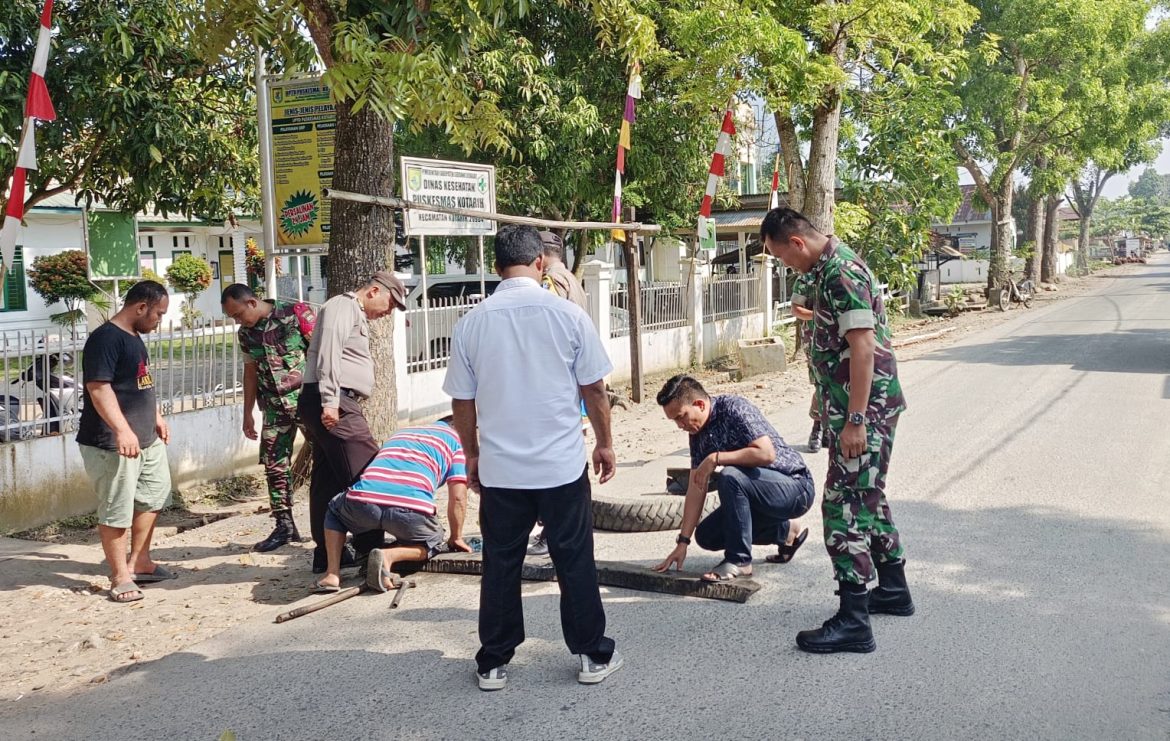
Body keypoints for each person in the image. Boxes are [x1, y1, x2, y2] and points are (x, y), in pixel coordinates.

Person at [444, 224, 621, 691]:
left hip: (502, 470)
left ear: (496, 266)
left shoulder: (472, 323)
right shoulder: (567, 316)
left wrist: (472, 454)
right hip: (561, 466)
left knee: (500, 562)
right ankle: (591, 655)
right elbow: (595, 389)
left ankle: (493, 663)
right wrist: (604, 442)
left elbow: (462, 401)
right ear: (540, 262)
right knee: (574, 558)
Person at [761, 207, 915, 655]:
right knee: (869, 496)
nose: (788, 268)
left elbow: (863, 349)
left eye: (783, 258)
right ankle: (892, 589)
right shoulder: (828, 265)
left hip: (865, 411)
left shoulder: (841, 273)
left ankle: (853, 619)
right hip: (861, 406)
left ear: (797, 243)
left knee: (841, 505)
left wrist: (855, 421)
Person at [652, 375, 814, 582]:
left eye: (680, 416)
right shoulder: (697, 433)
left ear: (700, 404)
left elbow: (766, 454)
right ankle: (785, 531)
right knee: (707, 536)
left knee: (731, 476)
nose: (679, 425)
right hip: (759, 496)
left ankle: (739, 561)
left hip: (795, 487)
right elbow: (696, 487)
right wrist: (683, 542)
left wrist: (717, 458)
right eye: (674, 420)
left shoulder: (734, 408)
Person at [298, 270, 408, 574]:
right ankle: (370, 548)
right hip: (332, 399)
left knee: (327, 479)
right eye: (390, 302)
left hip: (328, 398)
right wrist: (331, 401)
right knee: (368, 470)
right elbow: (329, 354)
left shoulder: (352, 311)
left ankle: (326, 554)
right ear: (374, 291)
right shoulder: (342, 306)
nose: (388, 312)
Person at [77, 280, 173, 603]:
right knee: (117, 507)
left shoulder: (134, 338)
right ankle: (120, 576)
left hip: (146, 439)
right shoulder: (105, 339)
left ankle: (141, 561)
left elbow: (140, 382)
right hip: (112, 442)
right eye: (158, 314)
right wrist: (121, 430)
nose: (159, 321)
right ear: (141, 307)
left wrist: (156, 416)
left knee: (155, 494)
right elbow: (99, 388)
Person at [313, 416, 472, 593]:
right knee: (434, 541)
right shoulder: (458, 443)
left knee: (335, 511)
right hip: (410, 510)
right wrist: (456, 537)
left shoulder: (403, 432)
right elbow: (458, 496)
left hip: (364, 502)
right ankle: (388, 556)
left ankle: (332, 574)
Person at [221, 283, 316, 552]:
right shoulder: (246, 335)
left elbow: (321, 353)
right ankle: (284, 526)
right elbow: (250, 372)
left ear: (252, 302)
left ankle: (335, 521)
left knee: (329, 459)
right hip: (274, 408)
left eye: (238, 314)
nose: (237, 321)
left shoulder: (296, 314)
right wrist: (247, 413)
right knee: (274, 465)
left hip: (306, 401)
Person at [527, 230, 589, 557]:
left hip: (554, 383)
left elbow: (543, 328)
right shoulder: (573, 280)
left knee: (550, 461)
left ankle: (552, 533)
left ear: (540, 255)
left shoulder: (551, 282)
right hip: (572, 381)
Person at [791, 272, 827, 453]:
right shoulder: (806, 279)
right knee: (821, 384)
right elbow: (796, 309)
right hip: (815, 340)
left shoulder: (839, 274)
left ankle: (830, 429)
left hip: (843, 337)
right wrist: (822, 316)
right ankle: (817, 427)